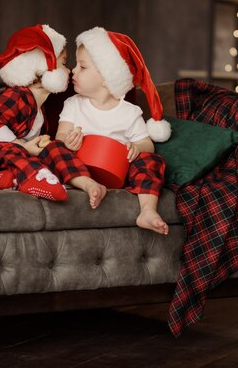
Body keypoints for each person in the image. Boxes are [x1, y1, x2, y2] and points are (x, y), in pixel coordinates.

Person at [0, 24, 107, 205]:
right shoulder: (18, 95)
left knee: (53, 147)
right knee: (13, 149)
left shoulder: (40, 111)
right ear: (43, 68)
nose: (68, 71)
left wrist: (60, 145)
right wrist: (23, 147)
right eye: (64, 63)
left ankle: (86, 182)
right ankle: (33, 178)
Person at [56, 26, 172, 235]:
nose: (73, 70)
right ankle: (89, 185)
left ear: (106, 77)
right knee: (54, 149)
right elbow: (61, 136)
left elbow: (148, 144)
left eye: (82, 67)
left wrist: (135, 147)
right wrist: (67, 141)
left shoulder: (129, 113)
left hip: (117, 172)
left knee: (152, 160)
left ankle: (147, 210)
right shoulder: (74, 104)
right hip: (78, 171)